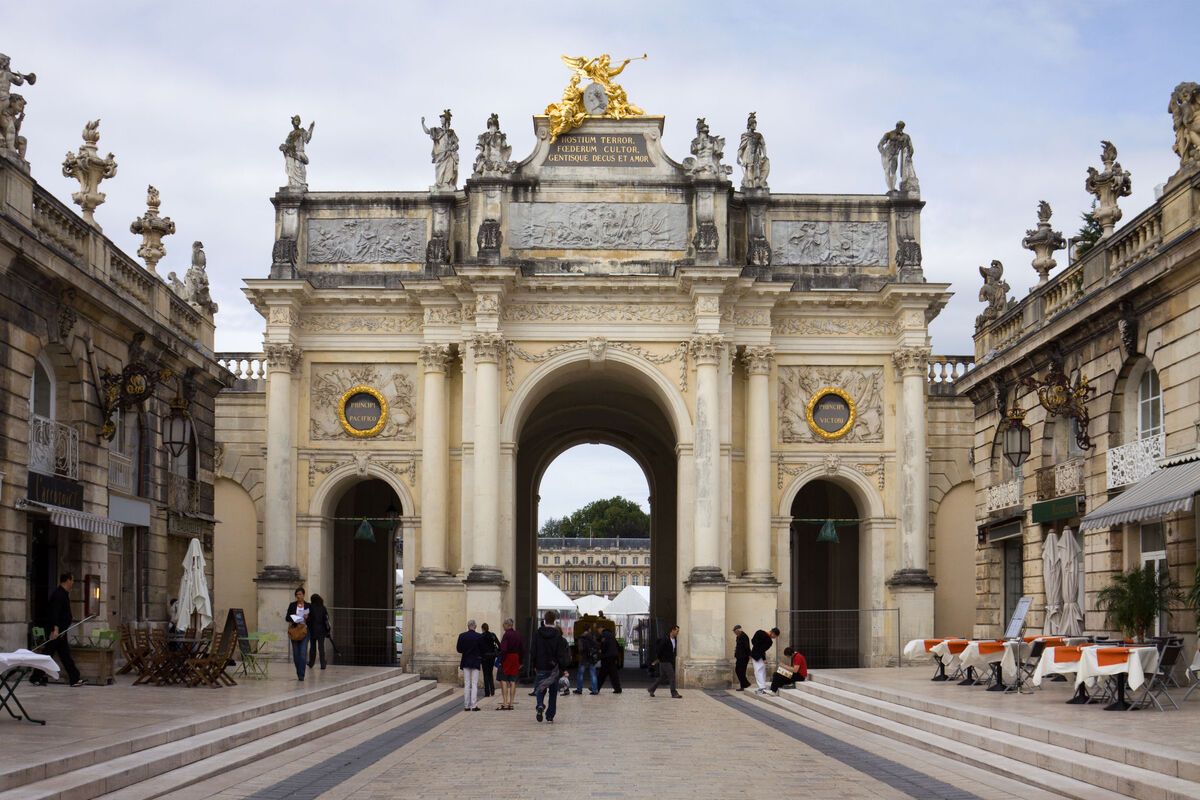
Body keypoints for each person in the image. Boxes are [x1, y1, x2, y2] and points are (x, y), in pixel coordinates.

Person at [31, 572, 82, 686]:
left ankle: (74, 678)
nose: (73, 582)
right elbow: (54, 613)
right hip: (57, 631)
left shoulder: (63, 594)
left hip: (61, 630)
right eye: (72, 580)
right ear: (67, 580)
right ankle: (36, 677)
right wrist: (55, 629)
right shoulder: (58, 594)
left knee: (63, 655)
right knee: (49, 654)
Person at [531, 610, 569, 723]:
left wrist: (534, 664)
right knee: (553, 693)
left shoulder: (537, 633)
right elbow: (561, 654)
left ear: (544, 620)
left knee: (539, 688)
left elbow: (533, 650)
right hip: (554, 668)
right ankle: (550, 715)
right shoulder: (558, 636)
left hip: (541, 666)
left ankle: (539, 705)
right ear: (554, 620)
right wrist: (563, 668)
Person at [456, 619, 484, 712]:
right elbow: (482, 650)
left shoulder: (462, 636)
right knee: (474, 684)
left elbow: (459, 649)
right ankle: (474, 705)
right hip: (475, 661)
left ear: (468, 626)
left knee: (467, 684)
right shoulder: (479, 637)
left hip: (466, 661)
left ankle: (466, 705)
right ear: (475, 626)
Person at [647, 625, 681, 698]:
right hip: (665, 661)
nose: (678, 633)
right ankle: (674, 693)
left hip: (668, 661)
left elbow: (672, 651)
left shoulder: (675, 640)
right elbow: (659, 650)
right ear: (672, 630)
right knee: (672, 676)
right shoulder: (665, 639)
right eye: (677, 631)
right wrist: (659, 659)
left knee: (662, 677)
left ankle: (651, 689)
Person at [496, 618, 523, 710]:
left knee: (503, 680)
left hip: (507, 658)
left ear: (507, 625)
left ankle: (505, 702)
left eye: (504, 625)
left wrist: (501, 660)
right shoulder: (518, 634)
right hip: (515, 658)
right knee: (513, 681)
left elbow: (503, 649)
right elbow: (522, 649)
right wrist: (521, 661)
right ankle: (511, 703)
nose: (503, 627)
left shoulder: (506, 634)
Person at [285, 587, 310, 681]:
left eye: (300, 594)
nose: (298, 596)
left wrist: (307, 617)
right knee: (296, 654)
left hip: (305, 631)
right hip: (295, 631)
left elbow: (312, 619)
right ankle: (298, 671)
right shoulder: (292, 605)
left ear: (303, 595)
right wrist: (296, 618)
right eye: (297, 594)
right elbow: (287, 617)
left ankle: (302, 675)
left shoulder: (308, 605)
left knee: (303, 653)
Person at [750, 627, 779, 694]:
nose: (775, 638)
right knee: (761, 671)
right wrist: (764, 658)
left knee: (758, 671)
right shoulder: (769, 641)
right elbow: (762, 650)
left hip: (755, 654)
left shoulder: (759, 632)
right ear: (773, 633)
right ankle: (762, 687)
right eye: (775, 636)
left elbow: (753, 641)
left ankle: (762, 687)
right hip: (760, 656)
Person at [306, 593, 330, 670]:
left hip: (312, 630)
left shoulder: (310, 607)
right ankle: (322, 664)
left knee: (313, 647)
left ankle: (311, 663)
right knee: (321, 647)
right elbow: (326, 619)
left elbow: (308, 619)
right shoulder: (323, 608)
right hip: (321, 630)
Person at [595, 626, 622, 693]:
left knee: (602, 673)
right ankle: (618, 689)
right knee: (613, 674)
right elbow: (618, 645)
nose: (598, 631)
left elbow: (604, 645)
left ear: (601, 628)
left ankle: (596, 688)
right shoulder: (611, 635)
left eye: (598, 630)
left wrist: (601, 651)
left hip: (607, 657)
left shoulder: (604, 634)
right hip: (613, 656)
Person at [574, 624, 599, 695]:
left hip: (583, 658)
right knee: (593, 674)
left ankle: (579, 690)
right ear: (589, 629)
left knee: (580, 674)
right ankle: (594, 690)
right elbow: (597, 646)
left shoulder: (581, 638)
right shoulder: (592, 637)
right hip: (591, 658)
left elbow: (580, 649)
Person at [478, 622, 500, 699]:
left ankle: (487, 692)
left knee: (485, 674)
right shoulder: (493, 635)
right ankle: (492, 690)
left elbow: (479, 648)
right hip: (492, 657)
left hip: (484, 657)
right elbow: (499, 645)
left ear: (482, 628)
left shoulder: (481, 637)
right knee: (490, 673)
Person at [733, 624, 751, 691]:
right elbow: (738, 646)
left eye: (735, 632)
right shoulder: (738, 636)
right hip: (739, 657)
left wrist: (749, 655)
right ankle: (745, 684)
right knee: (738, 670)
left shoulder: (744, 636)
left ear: (738, 630)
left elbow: (747, 647)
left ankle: (744, 685)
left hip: (744, 657)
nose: (735, 633)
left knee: (741, 671)